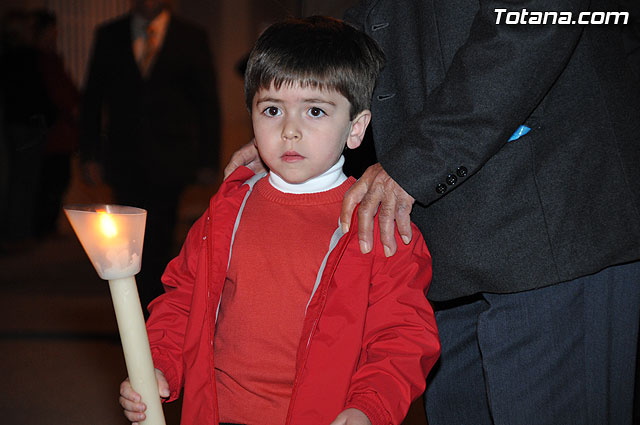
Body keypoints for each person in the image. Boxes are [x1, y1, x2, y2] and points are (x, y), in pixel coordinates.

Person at [226, 1, 640, 424]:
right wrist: (296, 139)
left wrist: (417, 162)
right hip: (438, 251)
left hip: (547, 219)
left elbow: (538, 18)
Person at [119, 16, 440, 425]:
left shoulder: (379, 224)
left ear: (356, 127)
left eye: (315, 111)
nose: (290, 130)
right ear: (250, 116)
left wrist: (369, 408)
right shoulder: (228, 208)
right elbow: (183, 298)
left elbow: (401, 336)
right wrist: (158, 366)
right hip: (219, 413)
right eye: (272, 109)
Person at [78, 0, 221, 315]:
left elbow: (207, 102)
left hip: (172, 155)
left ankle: (152, 306)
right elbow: (93, 99)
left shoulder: (191, 35)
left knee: (160, 232)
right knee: (127, 235)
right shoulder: (109, 34)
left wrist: (209, 158)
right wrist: (89, 153)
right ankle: (133, 304)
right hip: (123, 155)